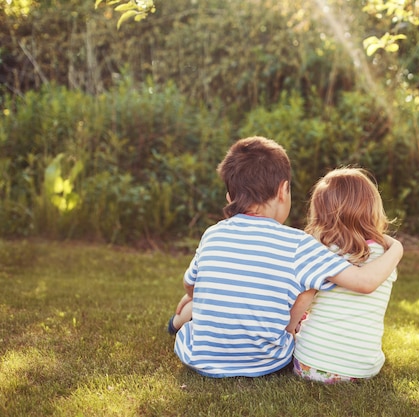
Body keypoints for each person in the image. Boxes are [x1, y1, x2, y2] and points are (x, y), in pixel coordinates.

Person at [168, 136, 403, 378]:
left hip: (200, 357)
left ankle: (175, 322)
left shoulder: (212, 234)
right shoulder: (298, 244)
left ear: (230, 198)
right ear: (283, 190)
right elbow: (363, 282)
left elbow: (191, 284)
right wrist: (397, 248)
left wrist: (191, 296)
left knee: (196, 305)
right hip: (265, 362)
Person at [289, 167, 397, 383]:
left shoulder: (321, 252)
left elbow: (304, 299)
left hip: (310, 365)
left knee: (304, 321)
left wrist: (290, 329)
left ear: (320, 213)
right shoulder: (386, 258)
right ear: (372, 208)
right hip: (362, 370)